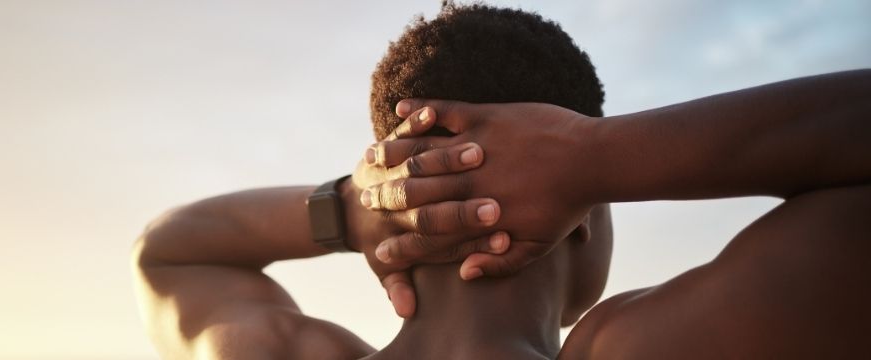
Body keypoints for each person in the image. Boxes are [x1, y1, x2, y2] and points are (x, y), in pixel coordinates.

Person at [131, 4, 871, 359]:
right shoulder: (644, 348)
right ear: (585, 218)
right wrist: (596, 157)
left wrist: (351, 211)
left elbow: (170, 251)